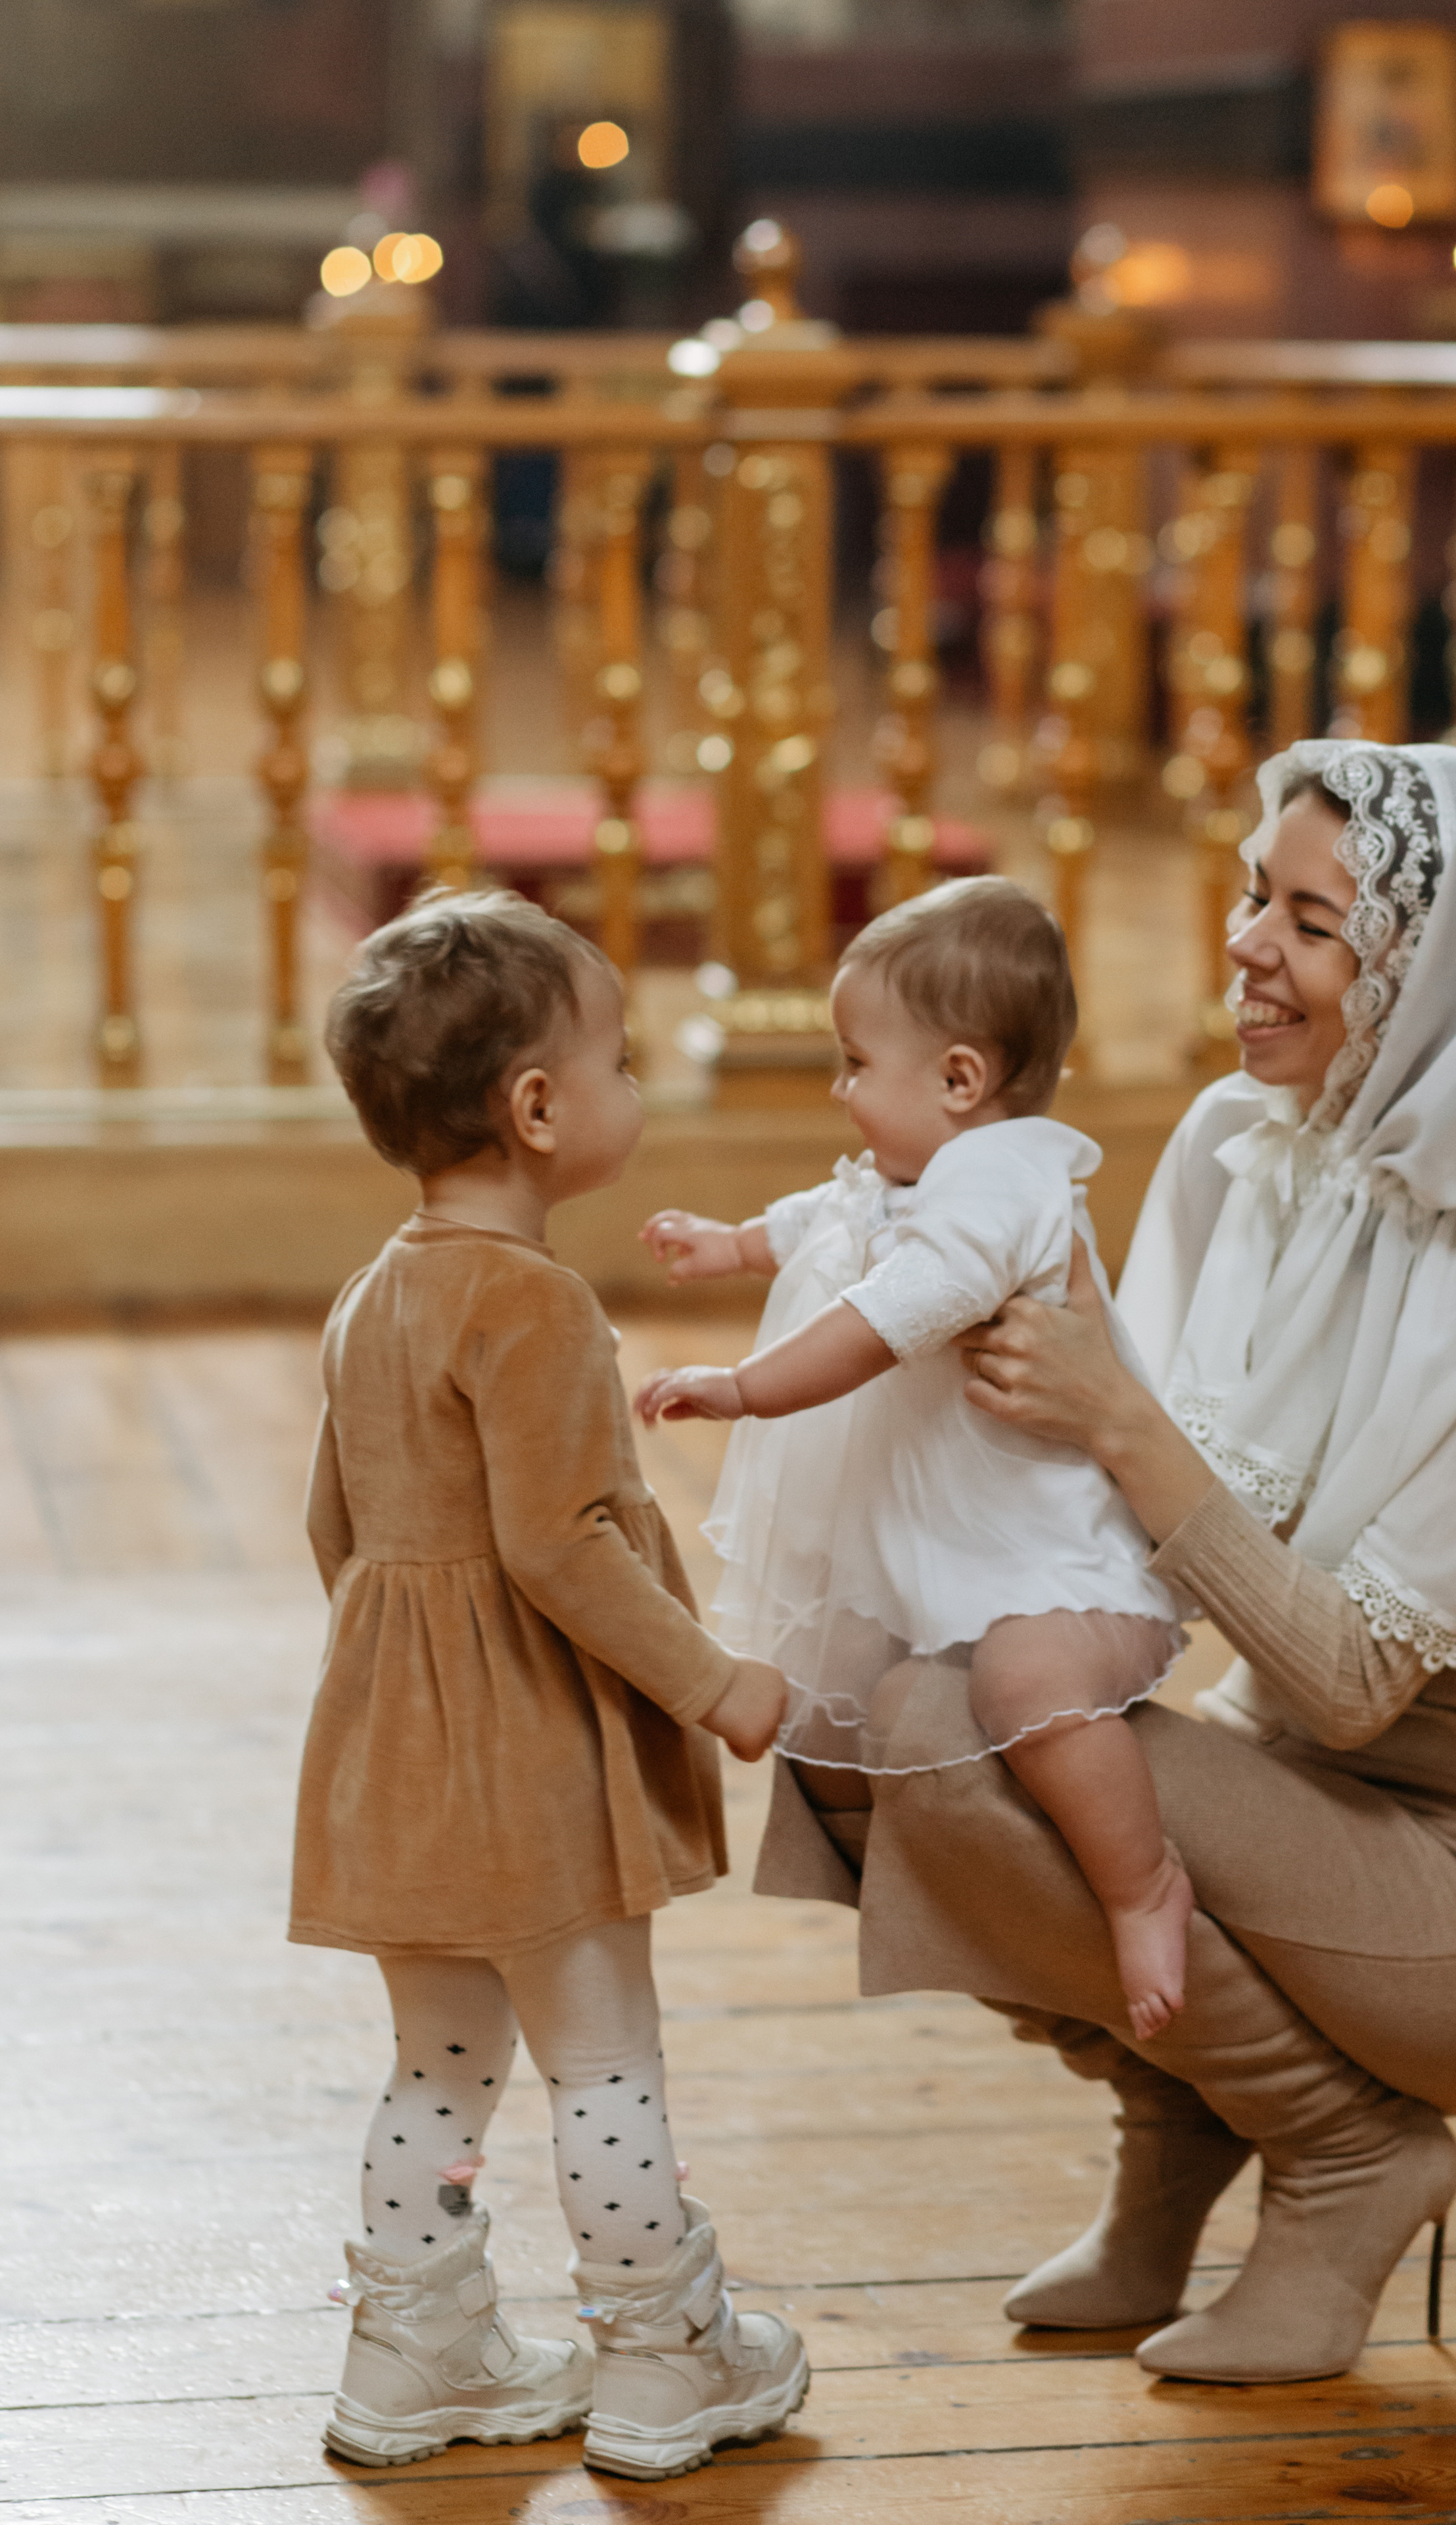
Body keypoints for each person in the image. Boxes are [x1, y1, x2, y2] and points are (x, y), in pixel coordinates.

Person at [752, 741, 1456, 2384]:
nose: (1243, 942)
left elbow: (1361, 1692)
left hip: (1453, 1886)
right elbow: (1092, 1550)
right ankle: (1176, 2130)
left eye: (1309, 922)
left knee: (957, 1738)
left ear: (1422, 973)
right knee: (849, 1724)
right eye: (1252, 891)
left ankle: (1346, 2153)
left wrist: (1115, 1424)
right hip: (1262, 1784)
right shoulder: (1246, 1140)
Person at [289, 890, 808, 2477]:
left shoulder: (372, 1297)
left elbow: (336, 1529)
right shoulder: (533, 1304)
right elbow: (564, 1550)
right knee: (601, 2062)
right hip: (529, 1763)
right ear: (536, 1110)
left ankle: (410, 2342)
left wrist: (404, 1703)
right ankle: (660, 2353)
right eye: (622, 1058)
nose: (631, 1084)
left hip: (393, 1754)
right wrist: (713, 1681)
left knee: (440, 2059)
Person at [634, 879, 1190, 2037]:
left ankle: (1144, 1885)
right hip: (945, 1535)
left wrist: (748, 1388)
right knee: (861, 1678)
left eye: (852, 1064)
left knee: (1029, 1687)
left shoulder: (1004, 1183)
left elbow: (894, 1312)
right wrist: (734, 1243)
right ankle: (948, 1887)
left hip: (1048, 1556)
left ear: (958, 1080)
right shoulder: (925, 1169)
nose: (838, 1089)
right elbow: (833, 1218)